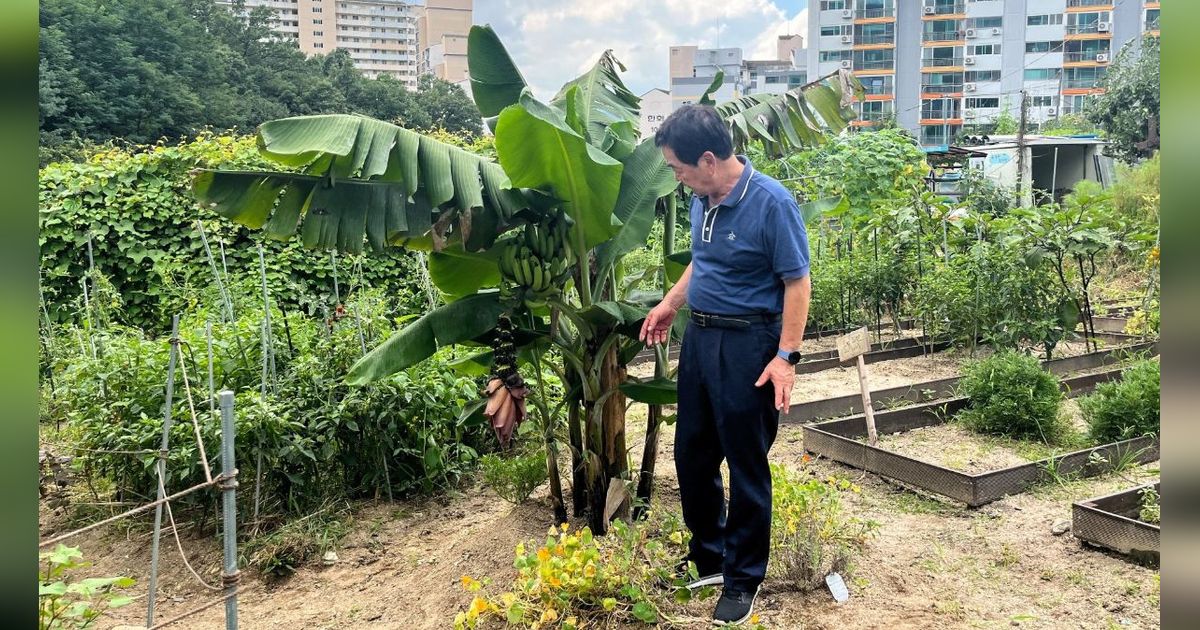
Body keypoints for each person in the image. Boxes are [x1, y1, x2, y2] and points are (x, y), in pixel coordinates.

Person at [640, 104, 811, 626]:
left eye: (679, 168)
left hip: (749, 346)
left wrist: (786, 358)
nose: (677, 177)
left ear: (709, 159)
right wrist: (672, 302)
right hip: (702, 339)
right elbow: (704, 260)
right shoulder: (704, 199)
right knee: (692, 453)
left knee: (745, 462)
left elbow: (797, 282)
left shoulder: (771, 203)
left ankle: (743, 579)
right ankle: (709, 557)